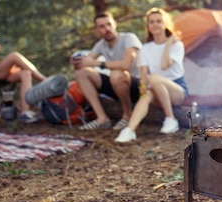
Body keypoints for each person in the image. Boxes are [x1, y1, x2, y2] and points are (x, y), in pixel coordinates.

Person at [115, 7, 188, 143]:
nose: (155, 24)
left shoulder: (177, 45)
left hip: (177, 91)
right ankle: (129, 130)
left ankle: (171, 119)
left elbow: (164, 65)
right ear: (148, 26)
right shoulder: (146, 49)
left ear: (165, 24)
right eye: (151, 22)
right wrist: (143, 87)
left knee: (153, 78)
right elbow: (143, 73)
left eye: (158, 21)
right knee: (147, 93)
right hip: (156, 90)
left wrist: (168, 43)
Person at [73, 11, 142, 131]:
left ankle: (127, 115)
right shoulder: (100, 45)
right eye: (102, 26)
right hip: (117, 85)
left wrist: (97, 63)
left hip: (139, 85)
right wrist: (78, 62)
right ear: (97, 30)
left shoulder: (129, 38)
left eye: (109, 24)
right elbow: (88, 60)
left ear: (115, 24)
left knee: (116, 74)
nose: (107, 29)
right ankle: (102, 118)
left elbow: (125, 65)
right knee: (81, 73)